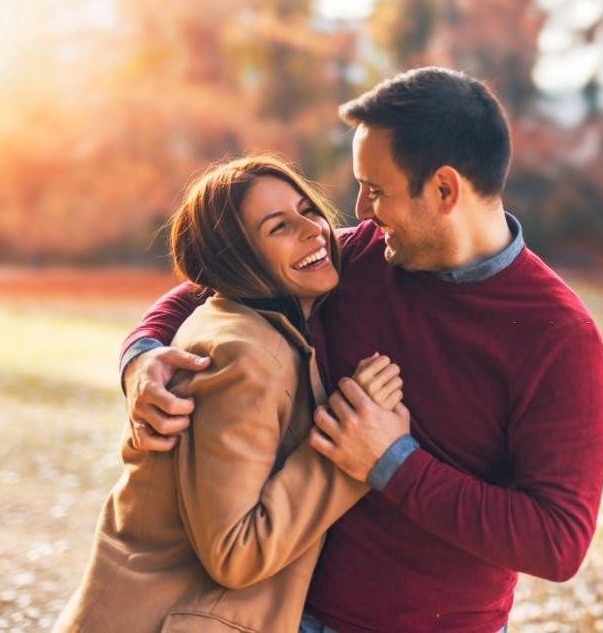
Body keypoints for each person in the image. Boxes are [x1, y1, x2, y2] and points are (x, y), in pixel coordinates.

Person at [120, 67, 603, 632]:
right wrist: (142, 356)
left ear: (445, 190)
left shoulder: (557, 337)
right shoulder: (359, 258)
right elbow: (216, 281)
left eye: (376, 190)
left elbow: (557, 541)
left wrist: (391, 462)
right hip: (285, 614)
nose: (358, 209)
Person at [56, 155, 405, 633]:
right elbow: (234, 553)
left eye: (307, 209)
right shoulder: (244, 356)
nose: (314, 230)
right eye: (278, 227)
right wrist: (349, 449)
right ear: (236, 261)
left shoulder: (247, 327)